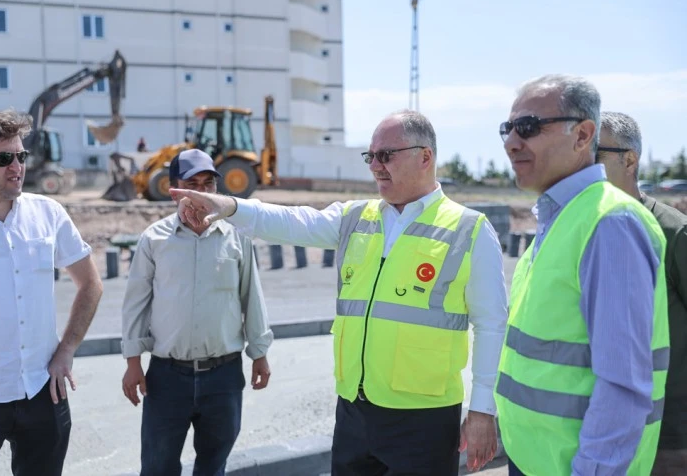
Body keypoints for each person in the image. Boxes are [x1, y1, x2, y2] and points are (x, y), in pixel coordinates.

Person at [170, 110, 509, 475]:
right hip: (354, 412)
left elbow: (491, 326)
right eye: (371, 156)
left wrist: (482, 410)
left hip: (423, 419)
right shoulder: (355, 217)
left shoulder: (468, 229)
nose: (376, 166)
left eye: (387, 155)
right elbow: (291, 221)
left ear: (425, 156)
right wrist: (230, 206)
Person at [494, 75, 670, 475]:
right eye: (507, 129)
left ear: (583, 135)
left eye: (529, 127)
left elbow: (623, 386)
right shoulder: (559, 219)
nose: (511, 142)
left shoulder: (610, 223)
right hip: (534, 460)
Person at [0, 109, 103, 475]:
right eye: (4, 158)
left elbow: (90, 284)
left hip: (43, 389)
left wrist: (67, 350)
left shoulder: (48, 213)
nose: (17, 167)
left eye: (21, 156)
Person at [121, 148, 273, 476]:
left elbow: (251, 295)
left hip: (223, 377)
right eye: (193, 183)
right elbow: (137, 302)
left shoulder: (237, 236)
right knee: (158, 467)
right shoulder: (154, 239)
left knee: (213, 467)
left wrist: (259, 353)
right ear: (175, 188)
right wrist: (133, 363)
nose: (202, 192)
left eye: (208, 183)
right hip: (166, 378)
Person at [597, 111, 687, 475]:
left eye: (594, 154)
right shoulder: (575, 230)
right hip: (597, 424)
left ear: (629, 159)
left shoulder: (673, 233)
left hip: (667, 429)